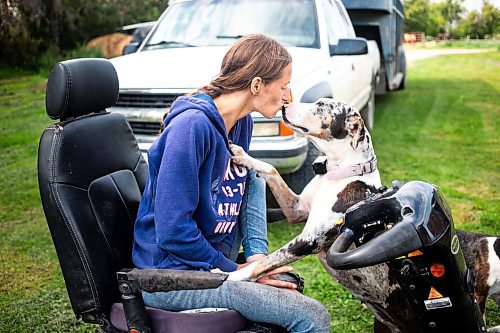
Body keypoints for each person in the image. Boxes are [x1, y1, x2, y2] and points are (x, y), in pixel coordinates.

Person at [132, 33, 330, 333]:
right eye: (284, 85)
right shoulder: (190, 128)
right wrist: (238, 271)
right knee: (312, 316)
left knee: (286, 290)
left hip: (210, 265)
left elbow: (247, 182)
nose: (289, 96)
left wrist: (258, 261)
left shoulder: (240, 123)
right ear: (257, 85)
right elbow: (173, 231)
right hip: (171, 276)